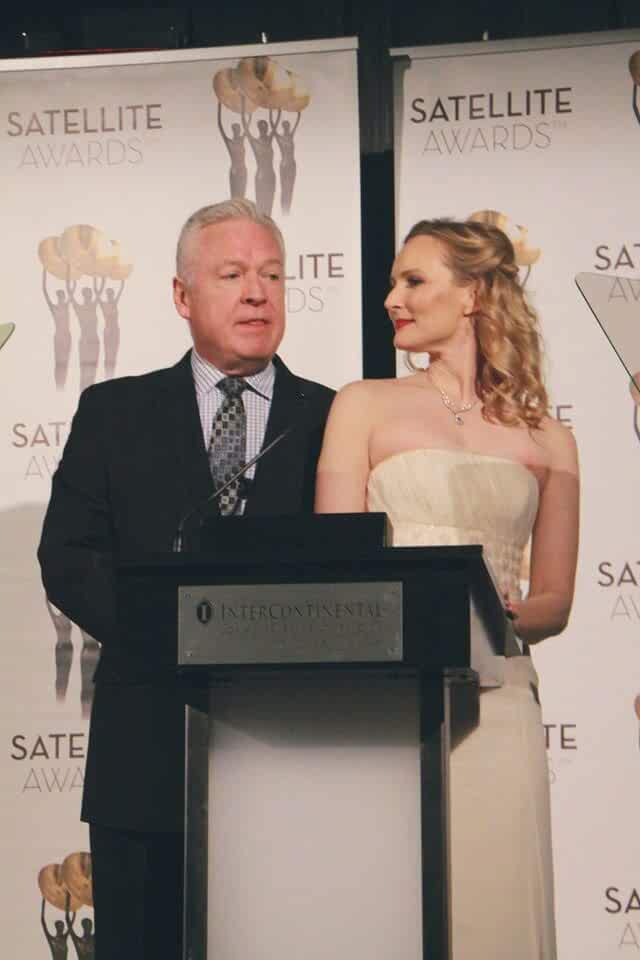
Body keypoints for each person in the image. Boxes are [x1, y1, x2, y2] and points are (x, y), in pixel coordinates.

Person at [38, 198, 335, 959]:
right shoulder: (114, 412)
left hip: (293, 754)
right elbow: (68, 557)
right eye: (232, 275)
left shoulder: (331, 417)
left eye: (272, 275)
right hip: (145, 754)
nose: (257, 293)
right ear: (181, 295)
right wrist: (183, 636)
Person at [315, 218, 579, 959]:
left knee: (496, 905)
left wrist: (499, 617)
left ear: (473, 294)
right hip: (390, 700)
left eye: (413, 280)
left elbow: (555, 599)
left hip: (501, 702)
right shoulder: (361, 405)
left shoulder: (551, 437)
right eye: (392, 283)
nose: (392, 298)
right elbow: (336, 567)